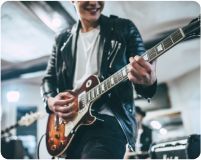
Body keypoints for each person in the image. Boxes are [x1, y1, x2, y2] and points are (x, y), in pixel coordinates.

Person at [41, 1, 157, 159]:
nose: (94, 2)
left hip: (108, 122)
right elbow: (49, 78)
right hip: (70, 126)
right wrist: (50, 101)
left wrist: (148, 82)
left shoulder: (124, 28)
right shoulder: (61, 39)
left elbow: (143, 72)